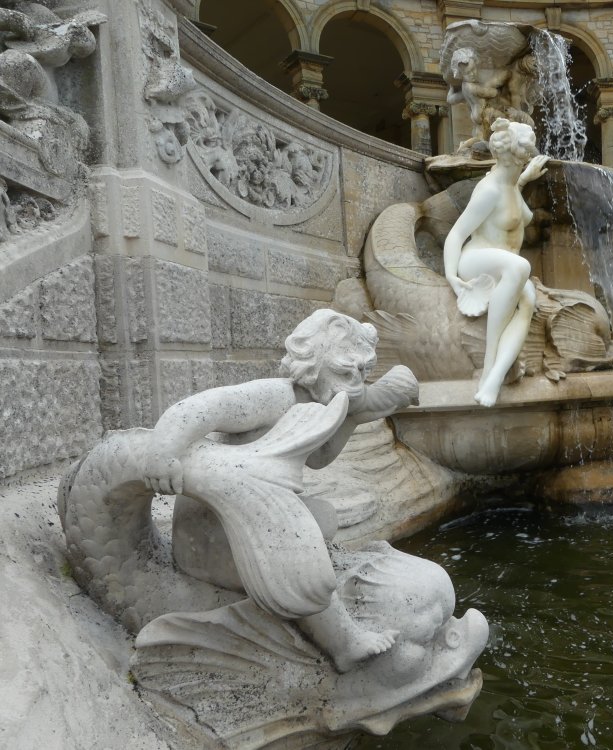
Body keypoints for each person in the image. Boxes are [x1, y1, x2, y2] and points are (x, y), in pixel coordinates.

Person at [142, 309, 419, 671]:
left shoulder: (318, 405)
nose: (355, 384)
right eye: (346, 372)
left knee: (322, 517)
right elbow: (204, 407)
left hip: (249, 520)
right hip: (217, 531)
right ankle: (344, 643)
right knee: (297, 550)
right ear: (315, 363)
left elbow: (319, 458)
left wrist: (354, 414)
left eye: (362, 374)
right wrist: (164, 450)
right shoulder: (275, 396)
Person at [443, 118, 550, 406]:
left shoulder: (512, 185)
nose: (528, 158)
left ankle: (494, 378)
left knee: (528, 299)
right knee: (520, 267)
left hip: (504, 266)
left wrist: (526, 178)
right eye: (526, 155)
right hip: (475, 260)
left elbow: (516, 203)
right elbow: (456, 234)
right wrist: (452, 276)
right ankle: (489, 364)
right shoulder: (489, 190)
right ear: (516, 157)